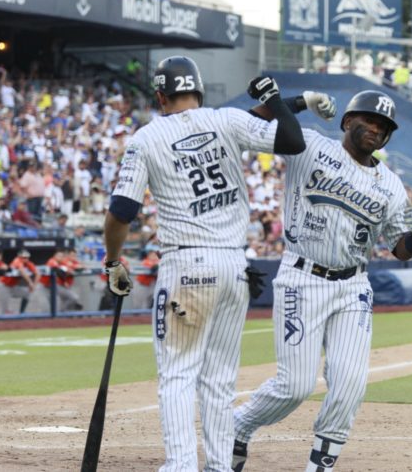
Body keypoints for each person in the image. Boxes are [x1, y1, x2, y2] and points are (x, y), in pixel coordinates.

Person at [102, 56, 309, 472]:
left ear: (161, 96)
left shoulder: (146, 137)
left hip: (186, 265)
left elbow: (122, 210)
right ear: (199, 90)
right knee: (219, 379)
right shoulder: (226, 119)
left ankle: (180, 465)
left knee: (178, 373)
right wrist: (290, 101)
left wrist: (112, 262)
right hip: (235, 267)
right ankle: (218, 465)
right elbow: (291, 140)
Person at [232, 90, 412, 472]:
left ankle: (320, 465)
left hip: (353, 287)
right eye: (370, 120)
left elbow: (400, 250)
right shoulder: (309, 145)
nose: (376, 129)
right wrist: (298, 100)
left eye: (384, 126)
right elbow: (250, 121)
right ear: (347, 121)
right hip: (301, 278)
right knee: (294, 386)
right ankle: (238, 426)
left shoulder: (390, 185)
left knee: (350, 382)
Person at [0, 249, 39, 315]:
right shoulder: (17, 261)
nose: (26, 259)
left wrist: (34, 285)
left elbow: (38, 273)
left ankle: (22, 313)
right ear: (19, 257)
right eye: (24, 257)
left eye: (27, 257)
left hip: (13, 287)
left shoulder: (28, 263)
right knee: (4, 311)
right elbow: (22, 271)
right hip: (3, 286)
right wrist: (30, 282)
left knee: (28, 293)